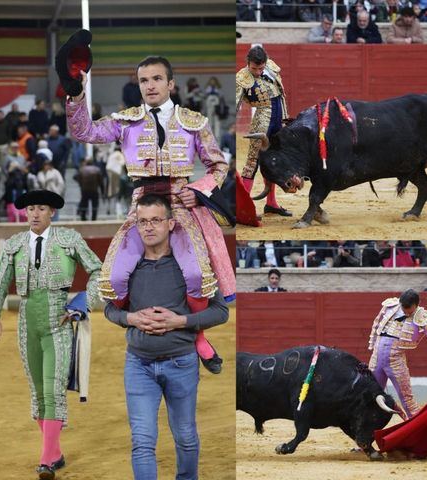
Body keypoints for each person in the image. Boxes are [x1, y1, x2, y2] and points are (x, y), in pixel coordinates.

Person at [65, 50, 233, 374]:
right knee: (112, 279)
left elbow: (219, 164)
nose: (150, 86)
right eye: (143, 80)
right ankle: (140, 325)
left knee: (198, 274)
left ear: (170, 83)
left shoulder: (193, 121)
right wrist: (77, 94)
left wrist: (198, 190)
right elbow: (84, 132)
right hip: (141, 204)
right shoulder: (125, 120)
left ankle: (197, 337)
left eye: (156, 79)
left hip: (179, 205)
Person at [104, 193, 229, 480]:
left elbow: (221, 311)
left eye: (156, 220)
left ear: (171, 224)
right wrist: (130, 318)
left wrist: (179, 321)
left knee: (185, 436)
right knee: (142, 441)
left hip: (181, 363)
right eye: (142, 221)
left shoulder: (191, 267)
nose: (149, 227)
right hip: (139, 365)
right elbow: (111, 309)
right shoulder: (127, 268)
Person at [0, 190, 102, 479]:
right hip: (27, 327)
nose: (34, 214)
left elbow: (99, 271)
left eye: (41, 208)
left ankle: (46, 461)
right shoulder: (15, 244)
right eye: (30, 209)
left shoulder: (69, 239)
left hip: (57, 324)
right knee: (38, 393)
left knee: (53, 391)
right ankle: (55, 453)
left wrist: (81, 304)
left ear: (52, 213)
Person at [236, 45, 291, 217]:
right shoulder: (242, 77)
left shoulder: (271, 68)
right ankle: (242, 207)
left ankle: (271, 203)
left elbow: (281, 95)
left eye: (260, 68)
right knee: (252, 163)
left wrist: (285, 119)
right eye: (254, 68)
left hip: (278, 120)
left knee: (273, 161)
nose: (258, 72)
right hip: (261, 124)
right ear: (248, 63)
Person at [368, 289, 427, 419]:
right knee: (371, 395)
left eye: (409, 310)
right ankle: (369, 429)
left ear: (417, 305)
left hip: (396, 360)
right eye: (403, 308)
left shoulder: (421, 316)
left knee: (407, 399)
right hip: (376, 357)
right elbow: (377, 325)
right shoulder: (391, 306)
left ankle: (418, 430)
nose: (406, 312)